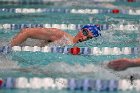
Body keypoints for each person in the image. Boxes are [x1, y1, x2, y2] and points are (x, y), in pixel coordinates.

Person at [10, 24, 101, 47]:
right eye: (85, 33)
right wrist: (8, 48)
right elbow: (26, 31)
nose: (84, 38)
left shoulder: (71, 44)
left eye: (89, 38)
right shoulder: (60, 35)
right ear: (80, 29)